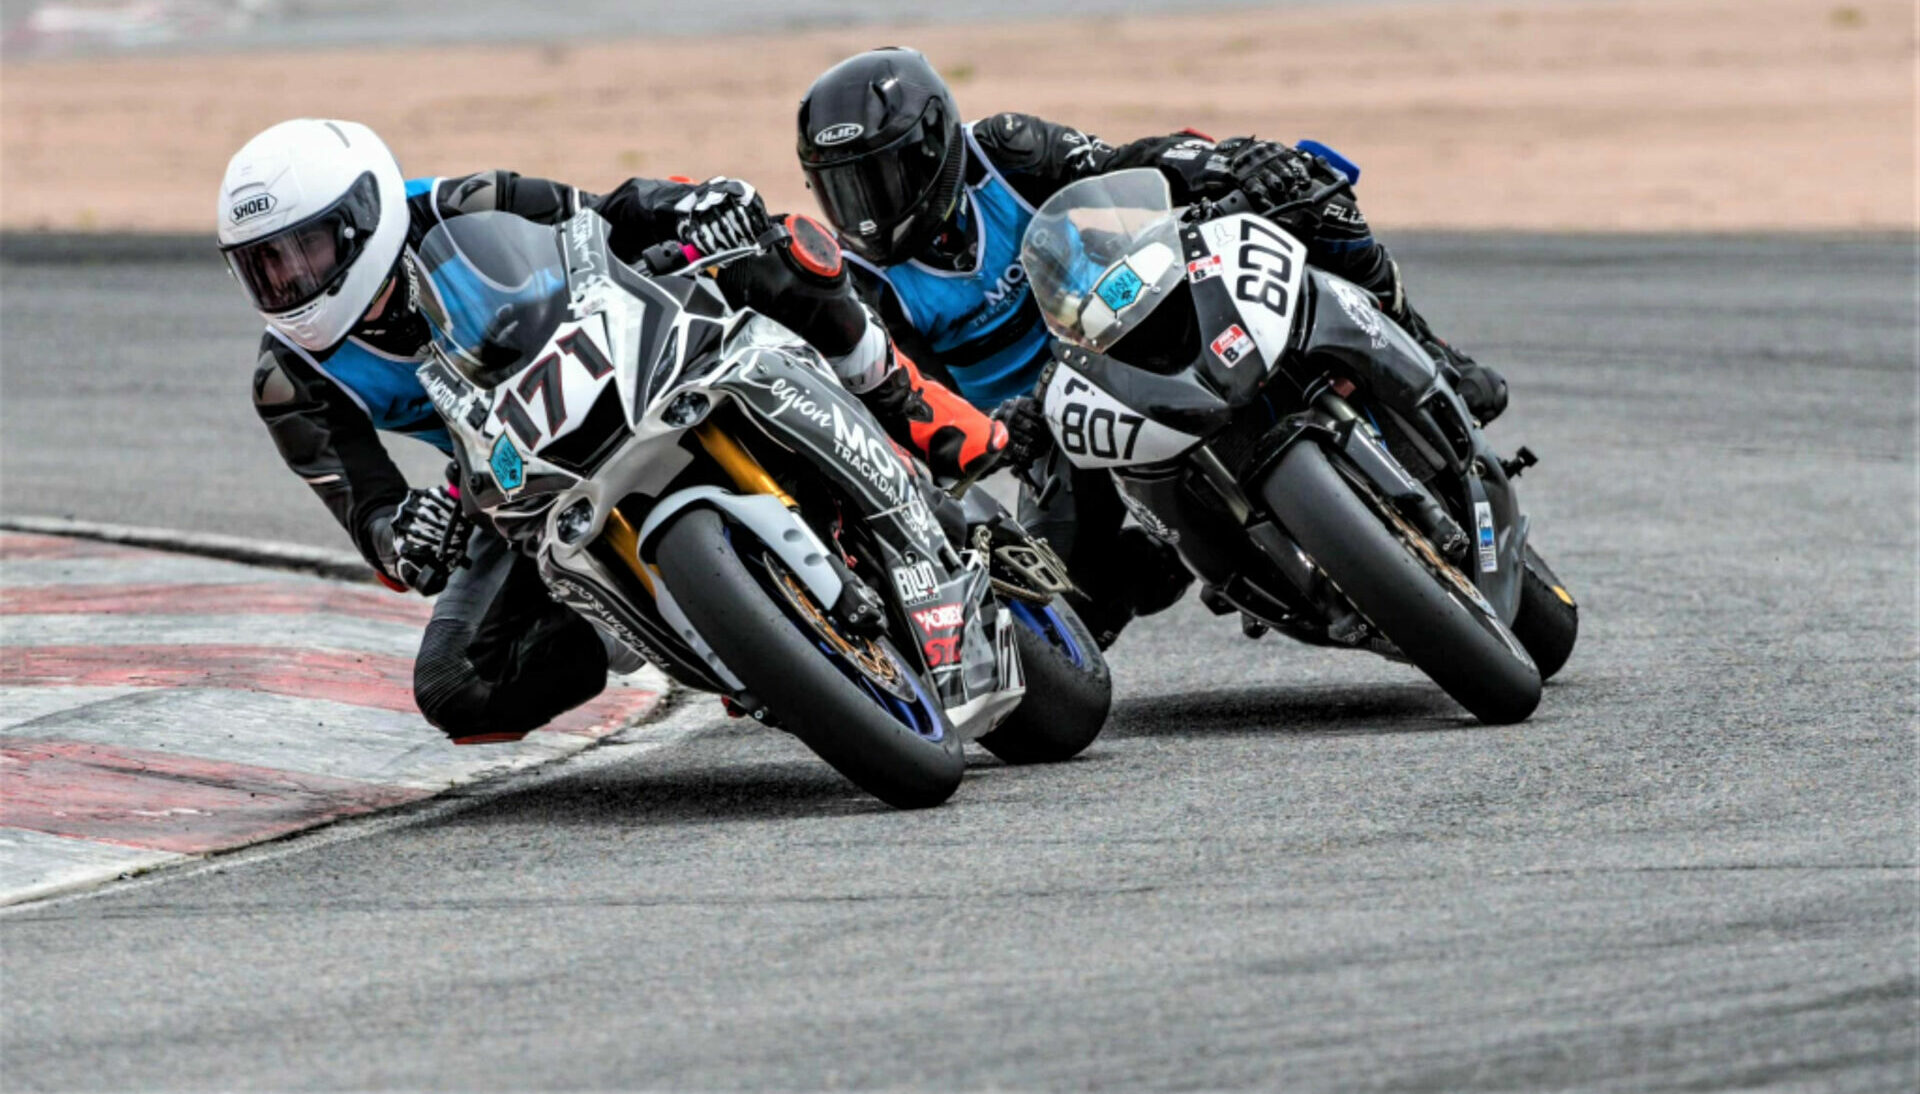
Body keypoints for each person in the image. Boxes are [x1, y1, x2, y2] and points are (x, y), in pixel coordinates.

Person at [218, 118, 1006, 744]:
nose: (288, 285)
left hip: (618, 353)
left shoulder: (460, 204)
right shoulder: (291, 379)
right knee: (458, 688)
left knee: (768, 239)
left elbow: (606, 215)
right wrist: (408, 536)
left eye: (304, 253)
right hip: (509, 480)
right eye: (264, 268)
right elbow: (374, 521)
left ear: (362, 219)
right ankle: (712, 632)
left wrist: (685, 208)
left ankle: (905, 399)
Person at [796, 48, 1509, 646]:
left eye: (879, 178)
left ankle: (1428, 348)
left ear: (933, 149)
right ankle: (1199, 553)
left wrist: (1225, 166)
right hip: (1052, 419)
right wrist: (994, 436)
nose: (865, 208)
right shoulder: (864, 283)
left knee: (1307, 188)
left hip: (1128, 316)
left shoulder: (1004, 147)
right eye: (841, 189)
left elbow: (1127, 163)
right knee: (1071, 616)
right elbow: (917, 393)